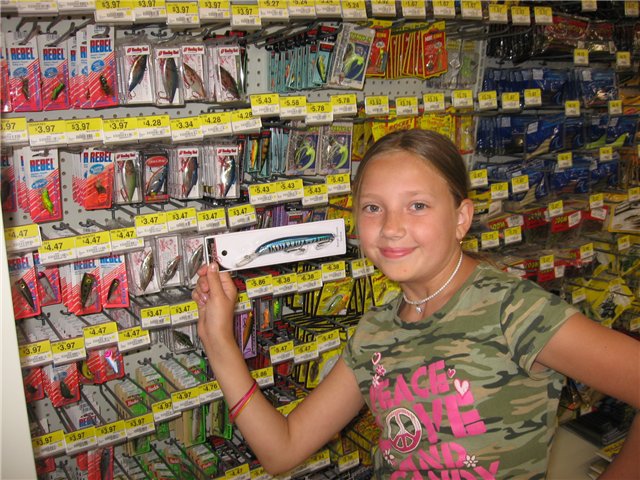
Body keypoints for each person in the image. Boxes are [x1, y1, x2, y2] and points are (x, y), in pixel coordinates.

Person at [193, 129, 640, 479]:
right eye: (373, 208)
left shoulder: (515, 311)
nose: (391, 228)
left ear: (461, 217)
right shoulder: (375, 332)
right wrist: (219, 342)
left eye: (418, 206)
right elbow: (282, 449)